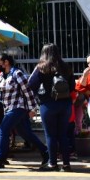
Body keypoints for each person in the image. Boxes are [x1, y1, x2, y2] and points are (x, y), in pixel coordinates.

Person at [0, 52, 51, 170]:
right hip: (8, 108)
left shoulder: (17, 73)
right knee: (25, 133)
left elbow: (28, 92)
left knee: (3, 129)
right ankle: (46, 152)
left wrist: (32, 108)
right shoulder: (1, 75)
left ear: (6, 62)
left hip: (18, 107)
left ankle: (0, 159)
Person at [28, 43, 76, 171]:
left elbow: (31, 85)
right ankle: (66, 164)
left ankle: (52, 163)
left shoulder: (41, 67)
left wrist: (39, 96)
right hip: (65, 104)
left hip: (48, 104)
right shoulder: (66, 67)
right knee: (63, 134)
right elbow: (72, 87)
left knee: (50, 135)